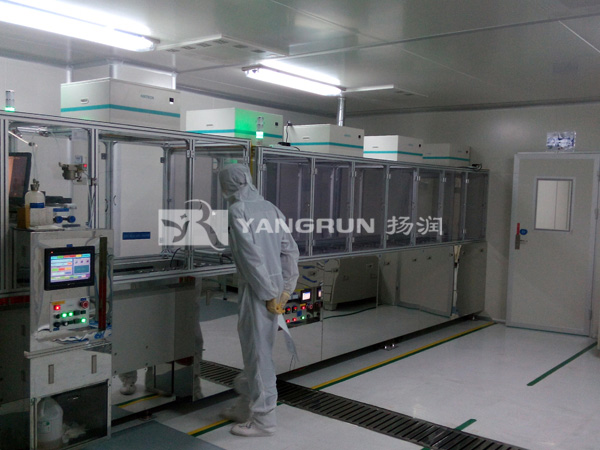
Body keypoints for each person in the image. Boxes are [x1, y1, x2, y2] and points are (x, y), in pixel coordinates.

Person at [218, 164, 299, 437]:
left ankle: (264, 421)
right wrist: (285, 289)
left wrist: (266, 294)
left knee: (258, 355)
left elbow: (249, 258)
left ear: (228, 184)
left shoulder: (237, 210)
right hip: (274, 288)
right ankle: (246, 405)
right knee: (256, 350)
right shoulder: (270, 208)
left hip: (257, 291)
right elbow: (290, 250)